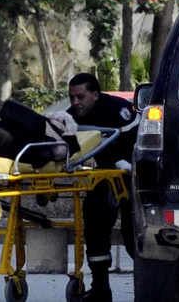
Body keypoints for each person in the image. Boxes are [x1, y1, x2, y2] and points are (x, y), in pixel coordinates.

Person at [65, 73, 139, 302]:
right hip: (104, 175)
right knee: (95, 224)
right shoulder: (70, 118)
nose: (75, 102)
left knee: (133, 236)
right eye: (71, 97)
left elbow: (139, 142)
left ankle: (150, 288)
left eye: (80, 97)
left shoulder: (119, 110)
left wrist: (129, 164)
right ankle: (100, 289)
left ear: (95, 95)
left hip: (132, 175)